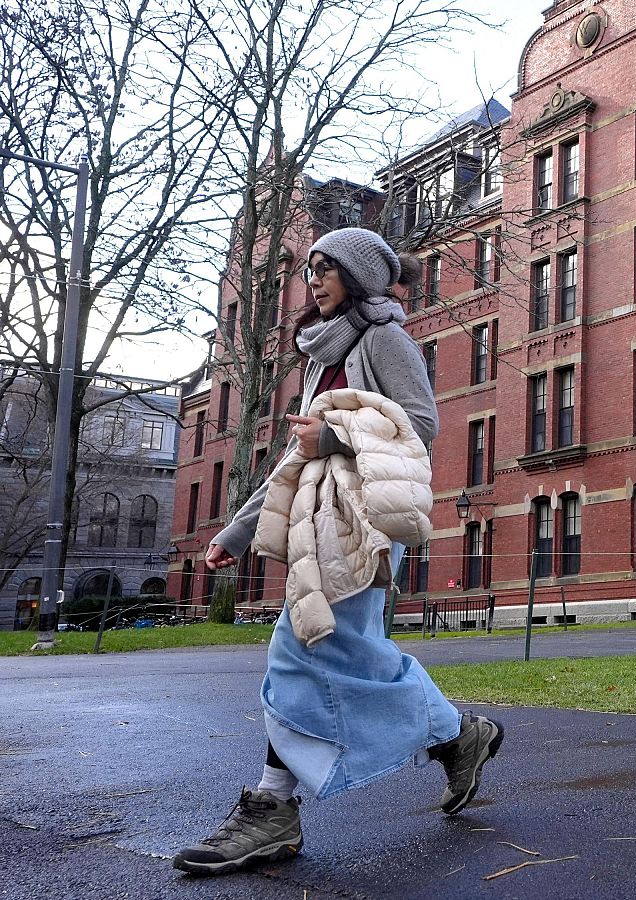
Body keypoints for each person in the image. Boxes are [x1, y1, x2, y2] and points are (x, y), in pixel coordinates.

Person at [173, 229, 504, 877]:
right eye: (312, 269)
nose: (315, 279)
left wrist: (338, 435)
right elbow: (300, 453)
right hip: (318, 521)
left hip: (365, 521)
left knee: (298, 644)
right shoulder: (321, 354)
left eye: (328, 269)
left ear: (358, 277)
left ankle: (273, 808)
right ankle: (458, 735)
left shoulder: (384, 337)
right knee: (354, 655)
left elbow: (423, 422)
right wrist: (236, 532)